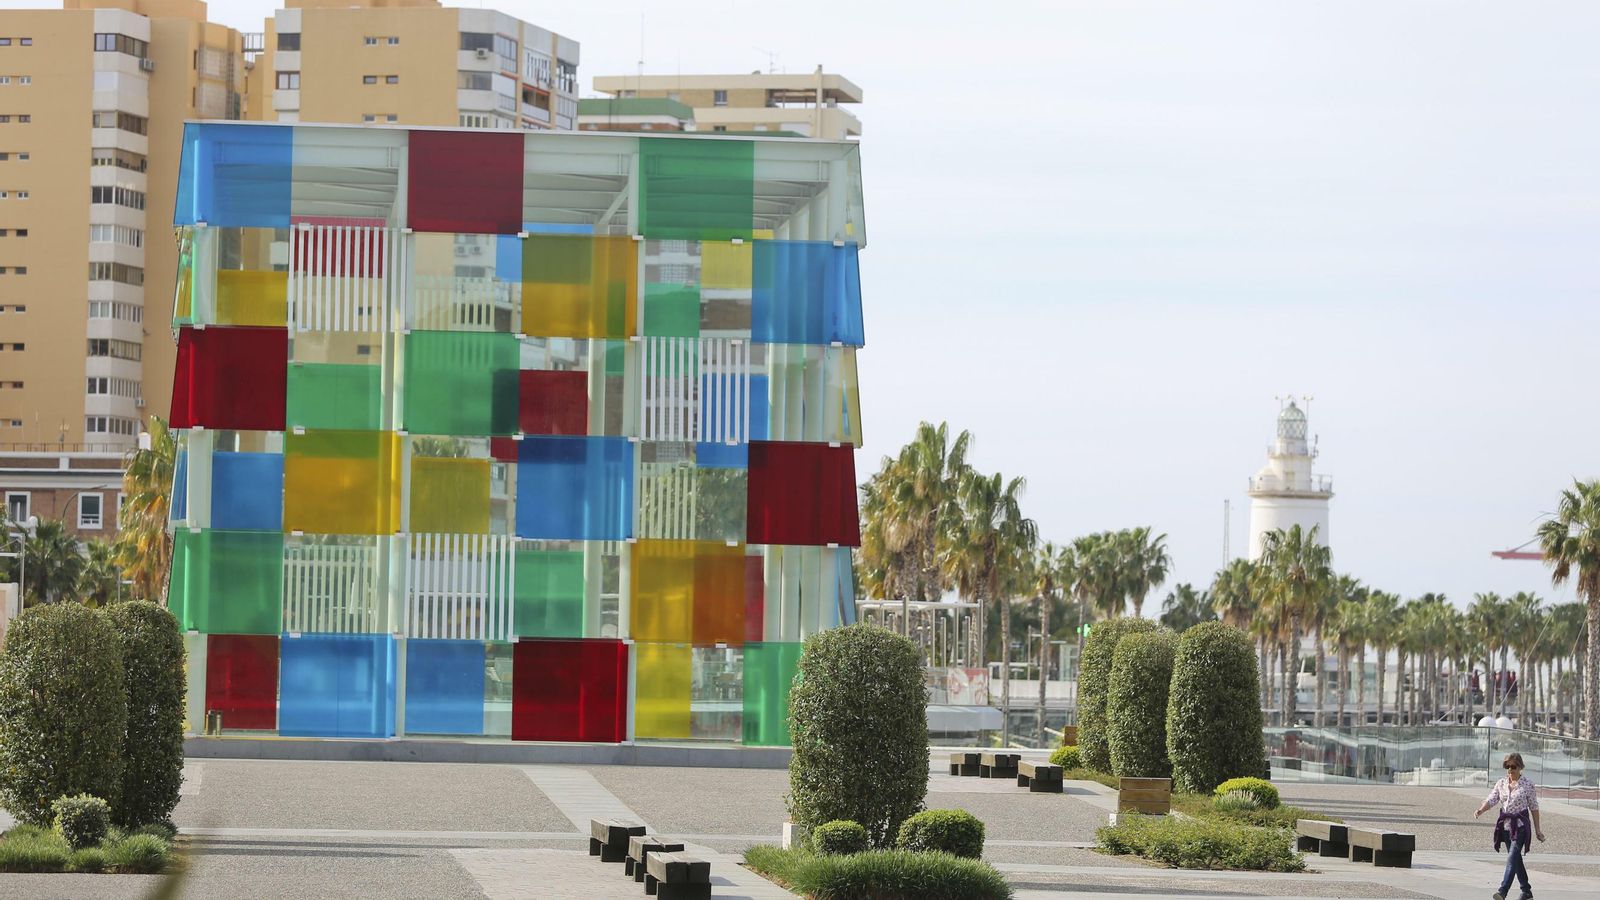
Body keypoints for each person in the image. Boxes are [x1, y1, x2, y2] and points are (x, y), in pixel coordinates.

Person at [1474, 751, 1545, 900]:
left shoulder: (1528, 785)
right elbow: (1492, 799)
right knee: (1516, 859)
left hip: (1520, 826)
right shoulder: (1501, 783)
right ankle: (1526, 891)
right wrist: (1481, 810)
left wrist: (1538, 830)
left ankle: (1502, 891)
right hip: (1505, 827)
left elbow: (1534, 807)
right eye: (1508, 767)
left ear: (1520, 767)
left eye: (1513, 767)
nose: (1510, 770)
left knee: (1512, 858)